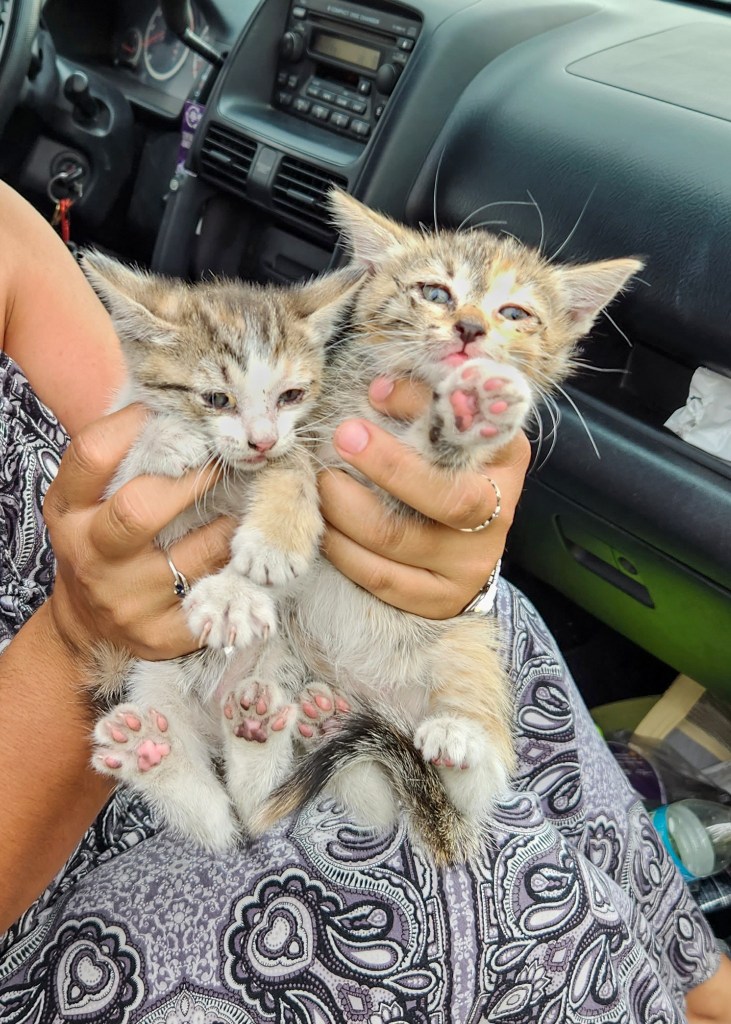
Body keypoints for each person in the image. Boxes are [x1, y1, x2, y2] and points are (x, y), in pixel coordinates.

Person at [0, 180, 728, 1022]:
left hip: (215, 614)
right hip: (50, 813)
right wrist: (79, 636)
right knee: (438, 888)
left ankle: (693, 974)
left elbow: (165, 395)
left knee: (502, 631)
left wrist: (422, 526)